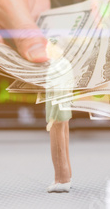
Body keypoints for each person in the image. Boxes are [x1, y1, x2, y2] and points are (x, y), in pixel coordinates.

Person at [44, 43, 73, 193]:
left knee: (58, 147)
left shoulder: (57, 67)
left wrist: (52, 118)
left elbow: (58, 94)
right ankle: (67, 176)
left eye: (49, 48)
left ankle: (62, 180)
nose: (47, 50)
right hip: (65, 110)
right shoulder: (65, 64)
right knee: (64, 145)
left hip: (57, 112)